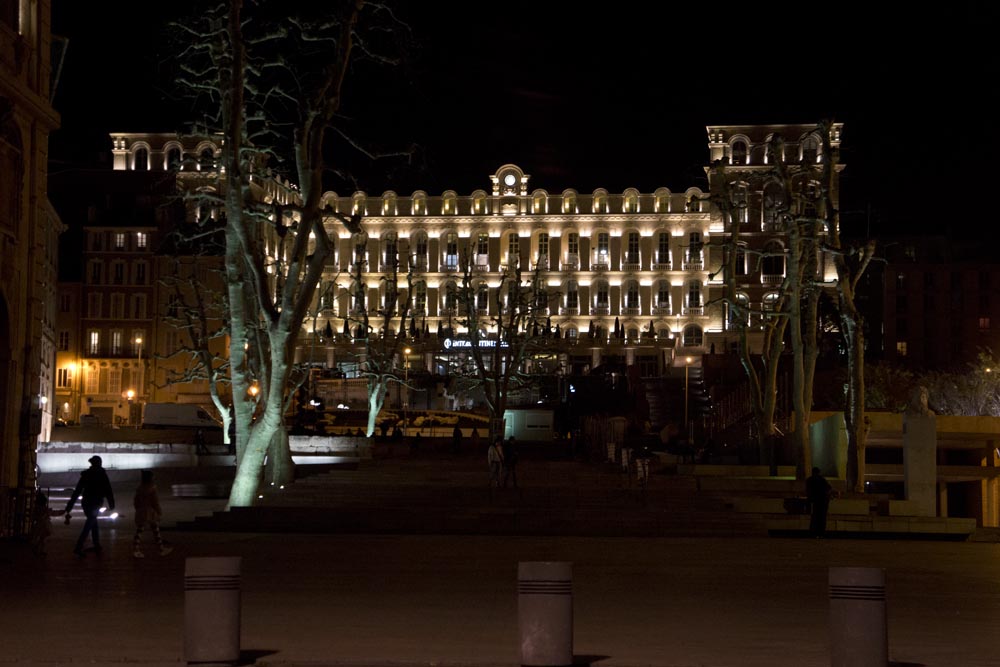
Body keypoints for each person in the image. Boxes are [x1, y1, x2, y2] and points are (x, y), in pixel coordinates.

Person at [65, 455, 116, 557]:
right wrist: (111, 503)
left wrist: (70, 506)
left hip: (86, 503)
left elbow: (78, 491)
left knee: (93, 522)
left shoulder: (86, 475)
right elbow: (108, 490)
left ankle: (97, 545)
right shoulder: (102, 474)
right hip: (96, 503)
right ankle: (78, 547)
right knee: (89, 524)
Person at [132, 470, 173, 558]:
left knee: (145, 529)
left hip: (141, 511)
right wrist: (159, 511)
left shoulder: (140, 488)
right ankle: (159, 549)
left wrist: (138, 509)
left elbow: (135, 501)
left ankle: (138, 549)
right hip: (150, 512)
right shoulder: (152, 488)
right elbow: (155, 502)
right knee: (151, 529)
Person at [30, 490, 65, 557]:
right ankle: (39, 549)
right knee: (42, 538)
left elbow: (34, 517)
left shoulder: (36, 509)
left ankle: (38, 549)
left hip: (39, 525)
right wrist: (61, 512)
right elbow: (54, 513)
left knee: (41, 538)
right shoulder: (45, 510)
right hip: (44, 526)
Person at [806, 467, 835, 537]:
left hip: (816, 501)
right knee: (822, 518)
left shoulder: (810, 480)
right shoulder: (822, 479)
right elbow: (829, 488)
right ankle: (821, 533)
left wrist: (810, 499)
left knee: (815, 517)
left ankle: (813, 533)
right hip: (823, 501)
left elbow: (808, 491)